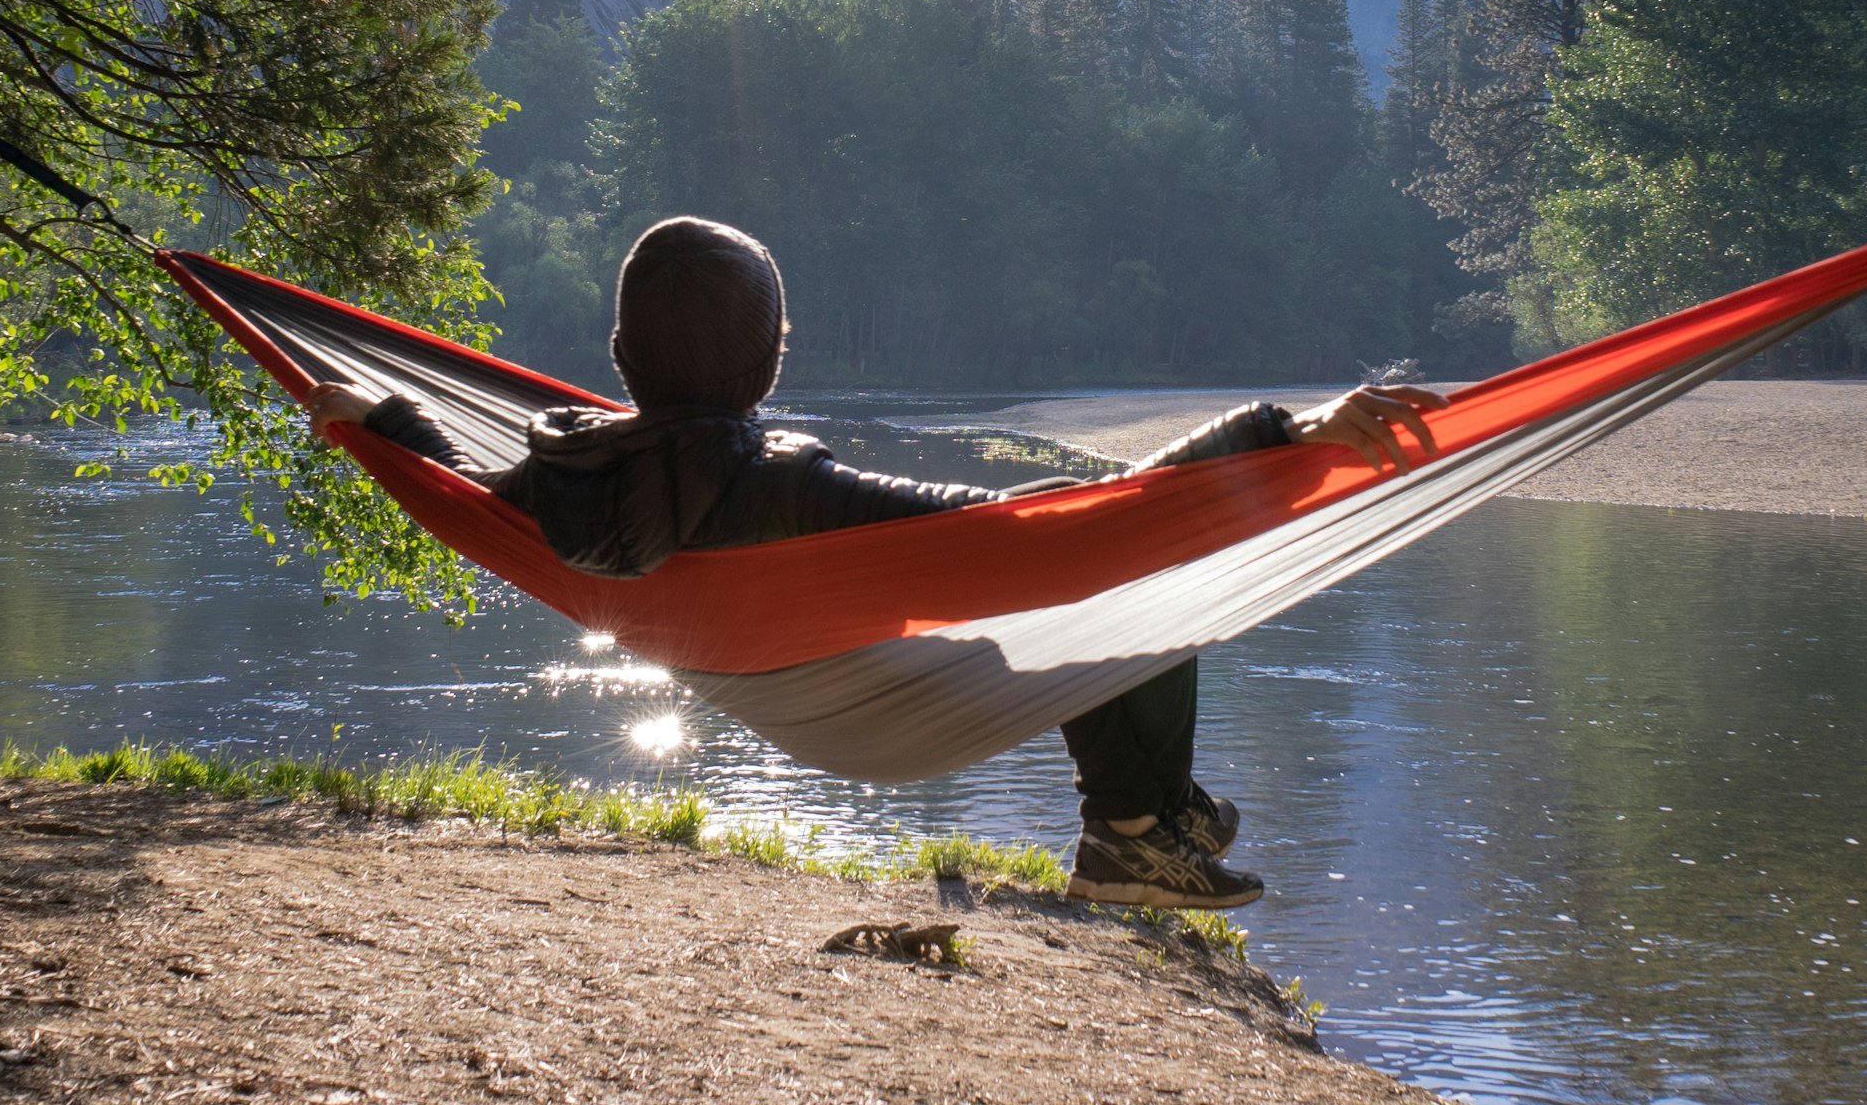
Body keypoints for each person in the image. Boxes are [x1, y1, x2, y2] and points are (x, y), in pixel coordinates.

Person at [303, 215, 1442, 909]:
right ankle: (1136, 832)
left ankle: (1161, 817)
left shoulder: (559, 476)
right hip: (871, 701)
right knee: (1125, 553)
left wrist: (377, 416)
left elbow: (455, 477)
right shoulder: (795, 490)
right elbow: (1049, 521)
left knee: (1114, 552)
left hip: (781, 689)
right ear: (770, 363)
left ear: (618, 356)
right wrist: (1277, 432)